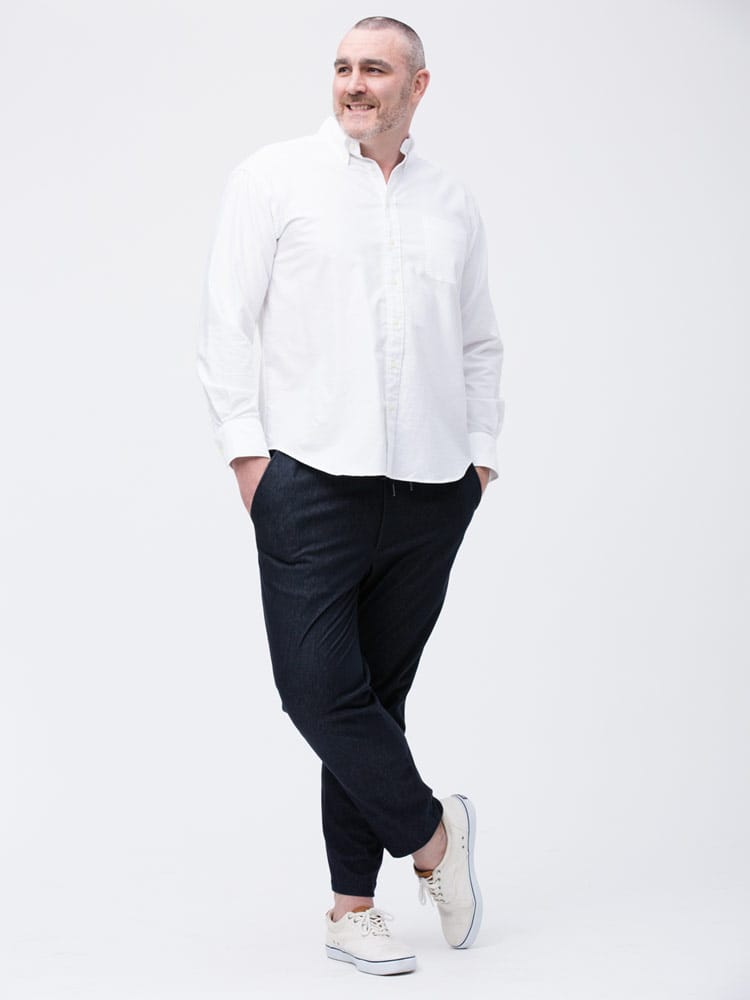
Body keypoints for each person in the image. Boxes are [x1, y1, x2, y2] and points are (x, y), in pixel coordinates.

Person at [197, 15, 504, 977]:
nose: (354, 83)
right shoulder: (274, 179)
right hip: (309, 483)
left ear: (419, 86)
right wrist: (249, 461)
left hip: (432, 489)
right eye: (342, 67)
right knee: (318, 690)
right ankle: (435, 839)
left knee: (377, 698)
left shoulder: (451, 203)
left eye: (376, 68)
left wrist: (479, 461)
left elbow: (479, 341)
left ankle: (352, 908)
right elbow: (226, 322)